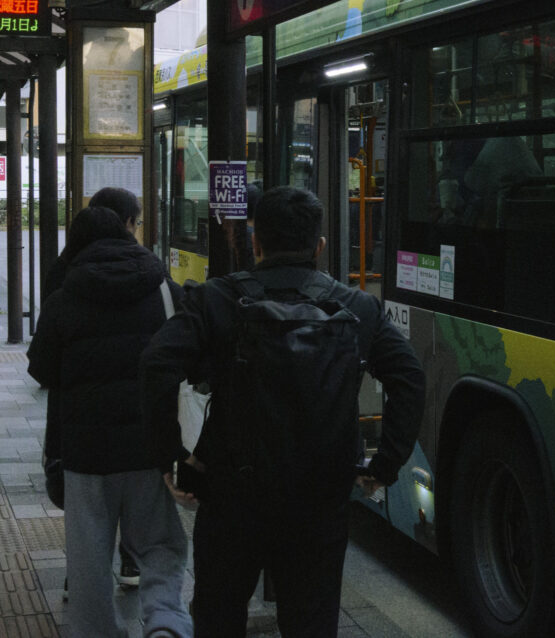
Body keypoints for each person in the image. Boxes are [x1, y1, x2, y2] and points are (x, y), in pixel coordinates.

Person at [140, 186, 425, 637]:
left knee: (218, 613)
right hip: (321, 497)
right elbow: (409, 377)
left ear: (255, 242)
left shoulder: (216, 299)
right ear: (320, 246)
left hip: (231, 492)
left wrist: (172, 455)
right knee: (311, 620)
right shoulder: (357, 308)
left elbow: (155, 365)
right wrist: (385, 464)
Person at [27, 205, 192, 638]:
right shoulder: (163, 291)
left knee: (88, 557)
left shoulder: (65, 299)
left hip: (85, 451)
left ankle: (97, 631)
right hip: (148, 445)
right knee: (160, 543)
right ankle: (164, 621)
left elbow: (42, 370)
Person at [40, 185, 151, 589]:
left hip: (77, 419)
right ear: (124, 224)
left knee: (87, 505)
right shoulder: (149, 273)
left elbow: (43, 364)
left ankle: (84, 578)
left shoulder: (63, 271)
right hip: (134, 415)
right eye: (135, 222)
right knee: (134, 491)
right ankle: (132, 561)